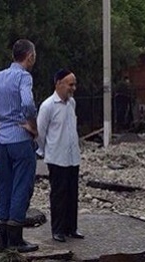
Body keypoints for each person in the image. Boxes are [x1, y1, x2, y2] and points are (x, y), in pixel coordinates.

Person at [0, 39, 39, 253]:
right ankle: (16, 239)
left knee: (4, 187)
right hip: (20, 139)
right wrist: (32, 126)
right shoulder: (24, 77)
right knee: (22, 186)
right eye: (34, 55)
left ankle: (2, 240)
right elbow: (28, 103)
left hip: (2, 140)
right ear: (29, 56)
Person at [36, 69, 84, 243]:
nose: (73, 88)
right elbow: (40, 133)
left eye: (74, 84)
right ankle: (58, 230)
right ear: (59, 84)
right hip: (56, 157)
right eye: (70, 84)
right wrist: (45, 150)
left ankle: (72, 227)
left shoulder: (72, 104)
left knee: (72, 193)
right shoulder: (48, 105)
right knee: (59, 194)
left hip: (73, 156)